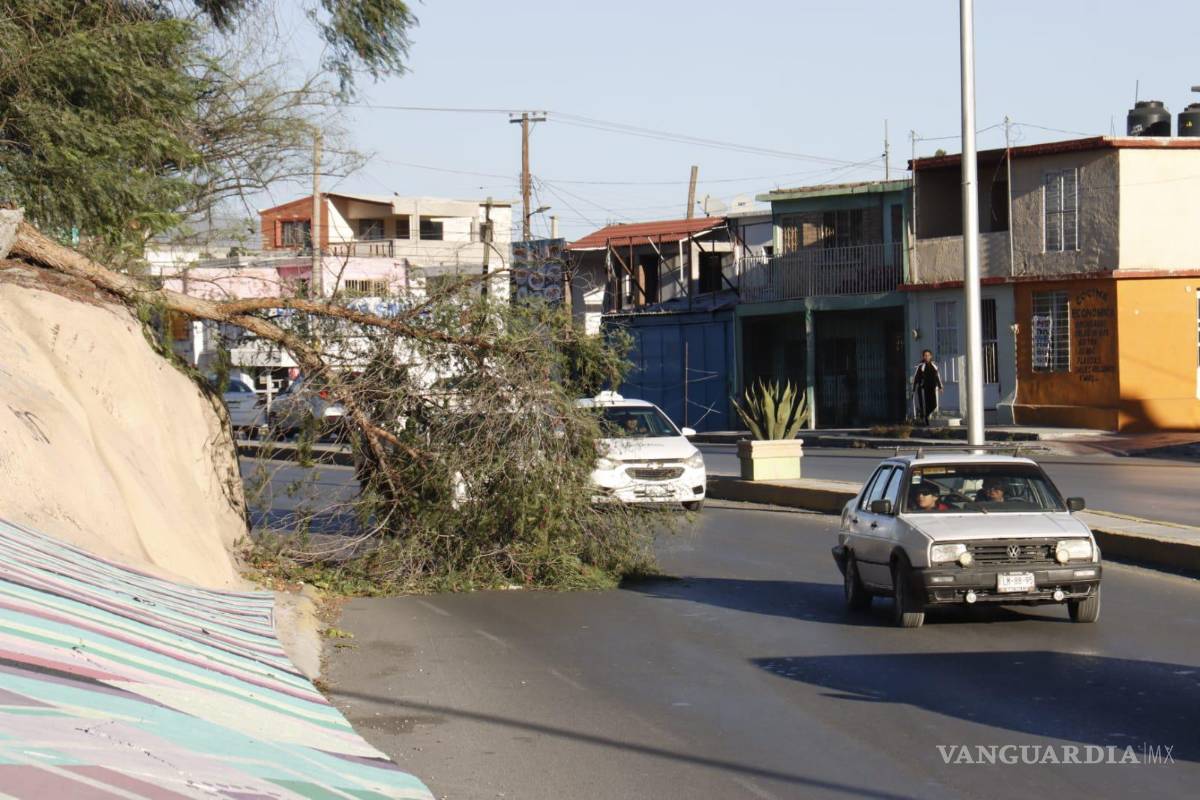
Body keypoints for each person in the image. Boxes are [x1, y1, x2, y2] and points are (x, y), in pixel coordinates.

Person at [911, 349, 944, 426]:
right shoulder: (920, 367)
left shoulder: (934, 366)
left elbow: (937, 377)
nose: (927, 357)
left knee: (934, 404)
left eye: (928, 355)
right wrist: (913, 389)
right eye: (925, 355)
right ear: (923, 357)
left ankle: (926, 416)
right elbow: (915, 378)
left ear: (931, 356)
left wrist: (940, 387)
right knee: (925, 405)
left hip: (932, 388)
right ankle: (925, 420)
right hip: (923, 389)